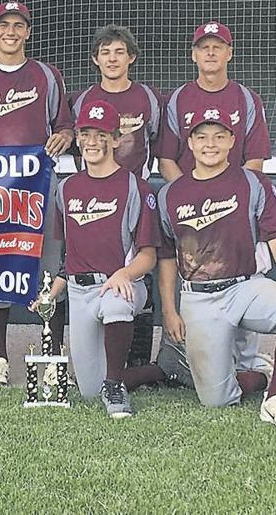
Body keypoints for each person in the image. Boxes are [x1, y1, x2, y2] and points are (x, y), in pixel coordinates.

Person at [156, 107, 276, 432]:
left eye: (219, 136)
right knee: (217, 400)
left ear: (232, 140)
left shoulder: (251, 181)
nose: (210, 144)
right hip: (199, 298)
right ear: (190, 143)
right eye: (202, 137)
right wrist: (170, 311)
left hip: (245, 286)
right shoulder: (170, 194)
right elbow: (166, 259)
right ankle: (258, 376)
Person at [0, 0, 74, 387]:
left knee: (48, 273)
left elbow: (66, 125)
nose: (10, 32)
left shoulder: (47, 75)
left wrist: (65, 135)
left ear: (28, 32)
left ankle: (53, 358)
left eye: (18, 25)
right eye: (3, 25)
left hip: (41, 188)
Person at [155, 20, 272, 376]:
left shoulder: (246, 98)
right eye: (204, 46)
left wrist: (232, 201)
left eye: (217, 46)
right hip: (193, 212)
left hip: (236, 209)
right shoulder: (179, 98)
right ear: (193, 55)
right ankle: (192, 361)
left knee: (247, 275)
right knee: (195, 278)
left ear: (229, 53)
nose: (210, 52)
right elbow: (166, 160)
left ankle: (249, 365)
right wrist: (190, 196)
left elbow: (255, 161)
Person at [43, 100, 165, 418]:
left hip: (123, 284)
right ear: (78, 139)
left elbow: (149, 255)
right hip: (81, 290)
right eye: (86, 134)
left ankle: (114, 385)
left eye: (101, 134)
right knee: (87, 389)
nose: (92, 142)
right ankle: (161, 370)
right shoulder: (66, 189)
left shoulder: (135, 187)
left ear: (115, 139)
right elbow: (68, 255)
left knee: (115, 302)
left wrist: (124, 274)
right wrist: (52, 292)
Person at [70, 24, 163, 369]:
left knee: (139, 270)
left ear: (131, 57)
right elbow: (79, 146)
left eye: (119, 51)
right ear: (95, 59)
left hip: (135, 193)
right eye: (105, 52)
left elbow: (157, 142)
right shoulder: (83, 99)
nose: (112, 58)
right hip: (94, 192)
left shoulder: (148, 98)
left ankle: (137, 358)